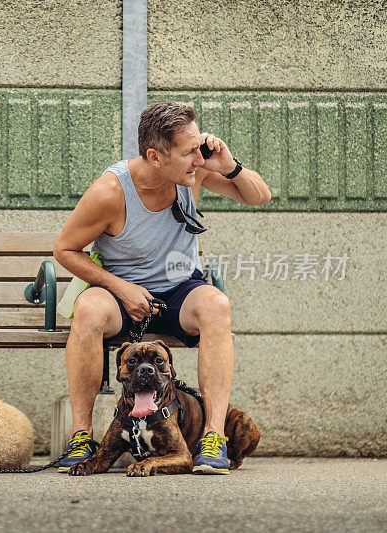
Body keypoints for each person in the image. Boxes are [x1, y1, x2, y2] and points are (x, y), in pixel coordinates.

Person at [53, 101, 271, 474]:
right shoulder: (110, 192)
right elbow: (65, 250)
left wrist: (229, 165)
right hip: (122, 294)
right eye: (189, 152)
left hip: (179, 290)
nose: (197, 158)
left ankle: (213, 437)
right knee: (88, 309)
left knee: (216, 304)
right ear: (155, 156)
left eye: (197, 146)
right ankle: (82, 436)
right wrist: (120, 288)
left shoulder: (193, 173)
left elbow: (259, 196)